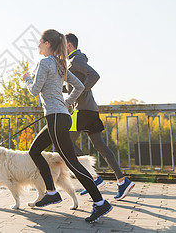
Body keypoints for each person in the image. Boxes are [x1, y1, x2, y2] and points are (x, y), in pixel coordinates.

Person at [22, 29, 112, 224]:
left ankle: (100, 202)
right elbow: (79, 86)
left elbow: (34, 90)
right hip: (60, 117)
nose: (37, 45)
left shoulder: (45, 62)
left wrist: (27, 79)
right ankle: (52, 192)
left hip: (56, 118)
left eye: (40, 42)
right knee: (35, 150)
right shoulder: (60, 64)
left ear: (47, 44)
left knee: (72, 162)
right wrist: (67, 103)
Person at [64, 33, 135, 201]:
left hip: (82, 111)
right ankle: (122, 181)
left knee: (66, 143)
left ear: (68, 45)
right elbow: (73, 88)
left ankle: (94, 179)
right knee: (101, 147)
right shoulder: (72, 62)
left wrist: (81, 90)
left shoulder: (75, 61)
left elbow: (94, 75)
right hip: (89, 109)